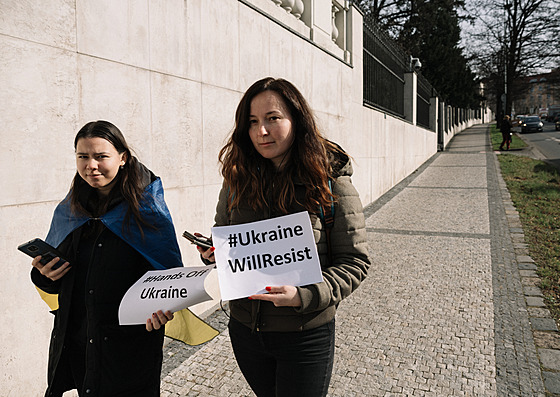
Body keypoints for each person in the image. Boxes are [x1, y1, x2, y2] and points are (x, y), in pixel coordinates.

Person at [197, 77, 371, 396]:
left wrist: (303, 296)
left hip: (305, 334)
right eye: (252, 122)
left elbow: (354, 263)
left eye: (272, 118)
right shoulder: (236, 181)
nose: (261, 131)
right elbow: (224, 237)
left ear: (297, 119)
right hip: (245, 331)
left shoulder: (331, 183)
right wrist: (216, 253)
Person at [30, 120, 182, 397]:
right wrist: (45, 273)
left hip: (129, 341)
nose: (91, 165)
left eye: (101, 156)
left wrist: (162, 308)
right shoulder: (71, 207)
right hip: (79, 335)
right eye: (83, 157)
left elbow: (169, 277)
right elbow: (58, 280)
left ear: (123, 158)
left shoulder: (147, 210)